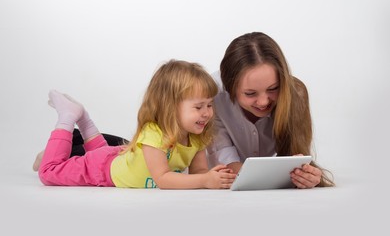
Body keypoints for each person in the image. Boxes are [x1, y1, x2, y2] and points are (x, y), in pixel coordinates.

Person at [37, 60, 236, 189]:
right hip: (102, 170)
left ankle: (83, 117)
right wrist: (205, 180)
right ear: (170, 106)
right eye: (199, 106)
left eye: (209, 105)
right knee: (48, 172)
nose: (207, 113)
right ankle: (67, 117)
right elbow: (163, 178)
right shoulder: (154, 132)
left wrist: (214, 176)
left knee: (102, 151)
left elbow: (199, 172)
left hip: (120, 157)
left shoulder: (197, 135)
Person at [207, 32, 334, 188]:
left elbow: (296, 157)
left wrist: (305, 175)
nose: (263, 102)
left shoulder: (295, 94)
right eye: (250, 93)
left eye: (273, 88)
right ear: (230, 87)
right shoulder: (212, 95)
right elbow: (223, 153)